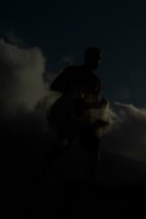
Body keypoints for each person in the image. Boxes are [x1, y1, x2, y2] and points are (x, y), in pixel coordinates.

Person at [41, 47, 110, 186]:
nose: (98, 62)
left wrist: (99, 106)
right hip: (68, 113)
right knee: (64, 145)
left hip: (84, 116)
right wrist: (74, 92)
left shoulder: (96, 80)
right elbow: (55, 86)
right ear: (88, 59)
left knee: (92, 146)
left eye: (99, 60)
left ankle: (90, 180)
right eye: (97, 59)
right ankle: (42, 172)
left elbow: (91, 101)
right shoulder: (72, 71)